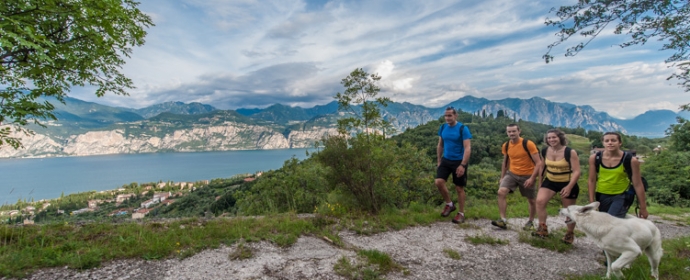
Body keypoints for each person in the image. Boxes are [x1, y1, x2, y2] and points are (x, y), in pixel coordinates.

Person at [533, 129, 581, 244]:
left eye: (554, 137)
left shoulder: (570, 152)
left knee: (569, 210)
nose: (551, 140)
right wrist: (540, 183)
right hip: (550, 180)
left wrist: (569, 187)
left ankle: (569, 234)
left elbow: (577, 172)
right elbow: (542, 168)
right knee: (539, 201)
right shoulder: (545, 151)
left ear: (560, 138)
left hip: (567, 181)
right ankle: (542, 228)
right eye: (549, 138)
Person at [588, 132, 648, 219]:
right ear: (603, 143)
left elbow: (638, 184)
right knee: (603, 222)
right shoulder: (595, 158)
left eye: (613, 140)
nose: (610, 143)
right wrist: (591, 202)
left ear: (620, 143)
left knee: (611, 220)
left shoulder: (630, 160)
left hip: (622, 195)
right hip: (602, 195)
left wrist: (643, 208)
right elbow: (592, 180)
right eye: (607, 141)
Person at [491, 124, 541, 230]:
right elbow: (505, 162)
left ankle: (530, 221)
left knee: (531, 200)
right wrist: (502, 177)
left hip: (527, 175)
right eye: (509, 132)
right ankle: (503, 220)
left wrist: (532, 178)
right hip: (512, 174)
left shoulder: (528, 144)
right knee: (501, 192)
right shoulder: (506, 145)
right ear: (507, 132)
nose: (511, 133)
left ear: (519, 131)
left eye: (514, 131)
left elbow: (539, 163)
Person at [435, 106, 472, 224]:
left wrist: (463, 165)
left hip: (458, 161)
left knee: (459, 188)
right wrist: (439, 160)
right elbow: (440, 145)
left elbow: (467, 148)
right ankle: (450, 204)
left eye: (450, 115)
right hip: (446, 159)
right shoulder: (443, 127)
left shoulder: (463, 129)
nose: (447, 117)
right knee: (439, 182)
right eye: (446, 115)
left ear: (455, 116)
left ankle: (461, 213)